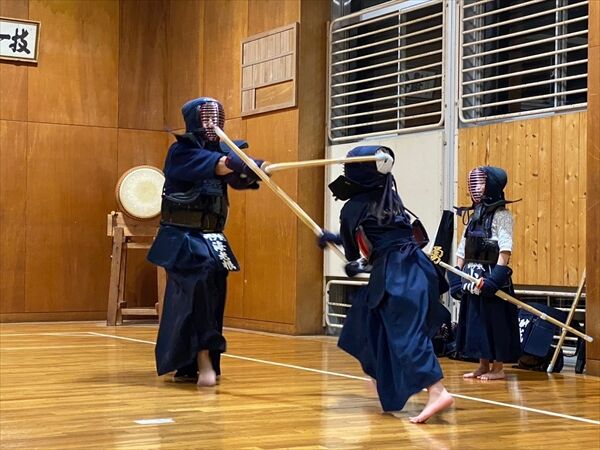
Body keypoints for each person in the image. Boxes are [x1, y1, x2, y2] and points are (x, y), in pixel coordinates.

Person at [319, 146, 454, 423]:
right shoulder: (391, 198)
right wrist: (338, 241)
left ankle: (437, 391)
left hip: (398, 275)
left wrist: (333, 240)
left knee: (406, 334)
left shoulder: (352, 208)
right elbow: (382, 240)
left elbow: (354, 254)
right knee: (368, 322)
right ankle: (383, 377)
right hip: (417, 268)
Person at [147, 97, 266, 387]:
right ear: (194, 120)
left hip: (212, 238)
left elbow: (235, 176)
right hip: (183, 239)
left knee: (213, 294)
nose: (213, 123)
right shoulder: (181, 153)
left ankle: (201, 362)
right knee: (194, 295)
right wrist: (236, 163)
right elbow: (219, 166)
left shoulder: (220, 152)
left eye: (217, 117)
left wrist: (254, 169)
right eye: (207, 117)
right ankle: (200, 359)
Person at [447, 166, 521, 380]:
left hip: (490, 278)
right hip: (471, 278)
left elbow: (505, 249)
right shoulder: (474, 216)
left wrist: (494, 280)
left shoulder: (502, 216)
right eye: (474, 183)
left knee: (494, 323)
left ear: (492, 186)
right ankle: (482, 365)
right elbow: (463, 248)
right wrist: (457, 276)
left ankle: (498, 368)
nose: (476, 188)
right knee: (476, 323)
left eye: (480, 183)